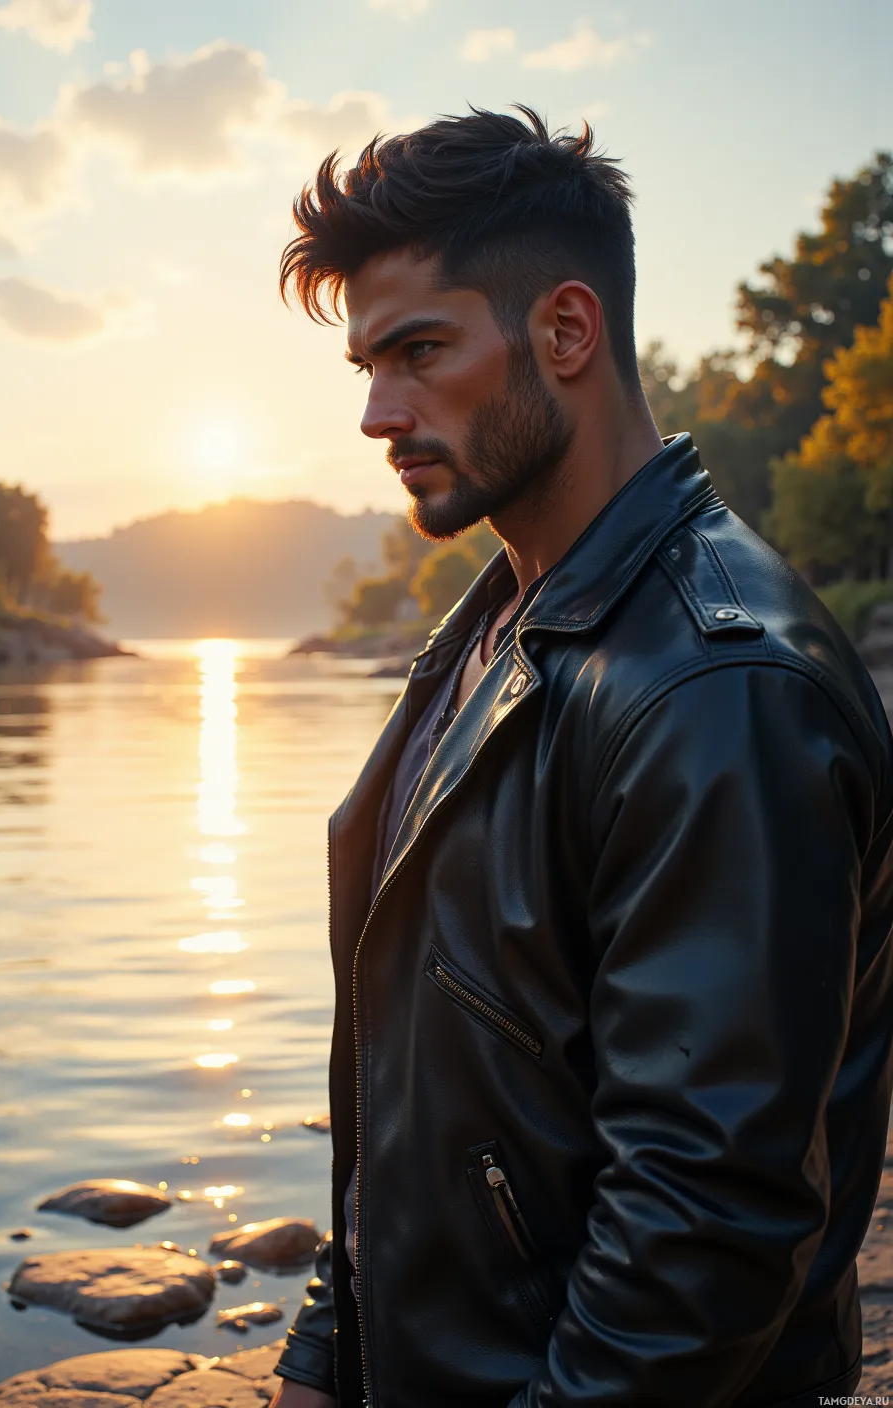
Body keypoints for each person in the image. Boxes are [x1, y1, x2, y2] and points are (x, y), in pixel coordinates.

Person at [267, 107, 893, 1408]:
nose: (380, 414)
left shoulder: (720, 689)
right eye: (367, 367)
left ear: (565, 331)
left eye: (421, 352)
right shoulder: (495, 626)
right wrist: (328, 1357)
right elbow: (420, 1085)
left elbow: (702, 1231)